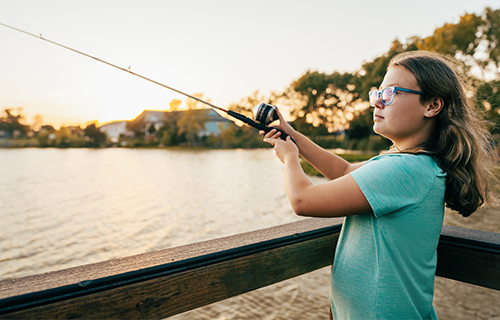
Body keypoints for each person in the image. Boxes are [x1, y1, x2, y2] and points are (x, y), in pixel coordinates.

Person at [261, 51, 499, 320]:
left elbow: (302, 200)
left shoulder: (404, 169)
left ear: (432, 105)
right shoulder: (413, 164)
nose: (377, 103)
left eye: (390, 94)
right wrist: (292, 135)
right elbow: (344, 170)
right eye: (377, 94)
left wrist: (290, 157)